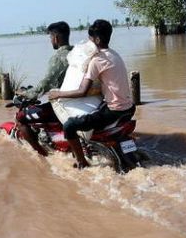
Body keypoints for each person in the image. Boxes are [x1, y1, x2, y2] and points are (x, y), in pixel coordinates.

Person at [49, 20, 136, 169]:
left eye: (90, 39)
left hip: (114, 111)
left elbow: (82, 91)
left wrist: (58, 94)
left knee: (70, 126)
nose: (89, 42)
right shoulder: (115, 55)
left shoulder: (96, 60)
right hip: (129, 108)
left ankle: (82, 162)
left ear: (96, 40)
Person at [16, 21, 73, 156]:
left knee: (20, 118)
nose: (50, 41)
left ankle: (42, 155)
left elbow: (46, 83)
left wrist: (27, 94)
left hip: (62, 103)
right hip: (76, 100)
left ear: (55, 38)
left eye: (50, 37)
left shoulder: (59, 57)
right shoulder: (75, 53)